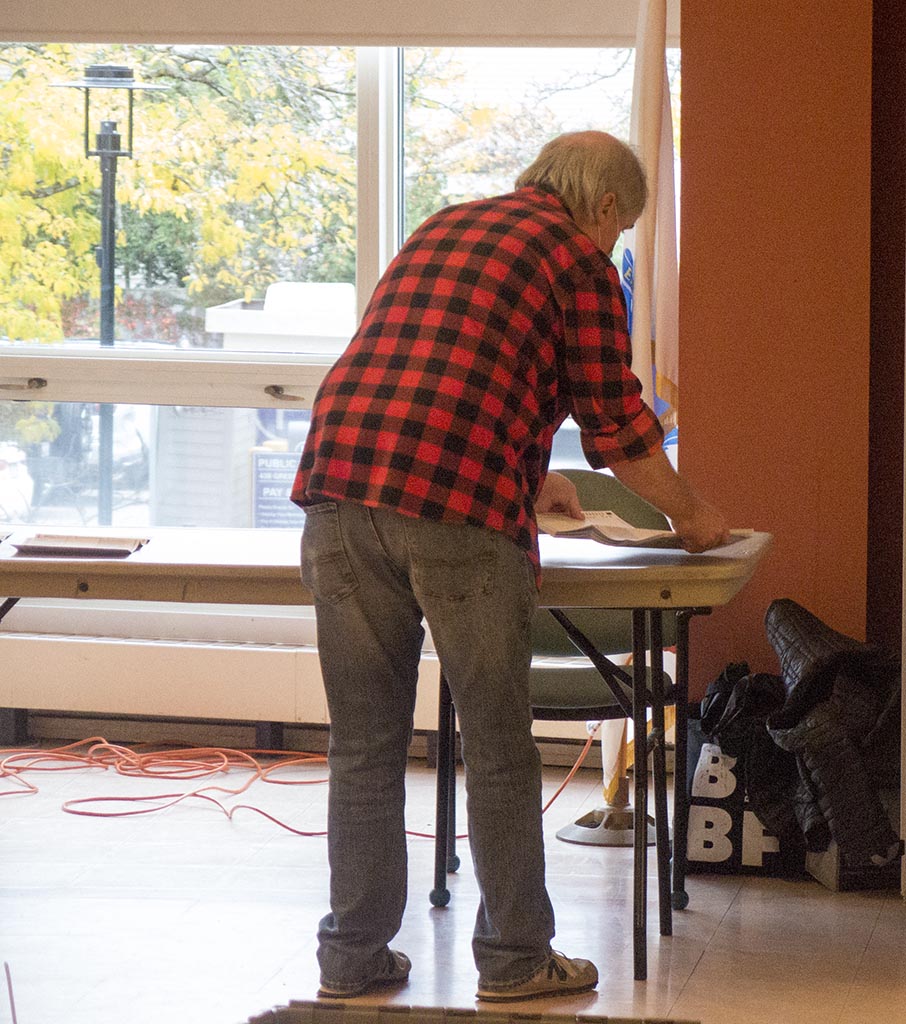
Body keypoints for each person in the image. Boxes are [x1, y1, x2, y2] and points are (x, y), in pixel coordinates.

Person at [291, 130, 729, 1003]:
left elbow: (431, 375)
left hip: (338, 491)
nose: (616, 243)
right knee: (496, 746)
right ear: (607, 205)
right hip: (455, 516)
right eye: (623, 228)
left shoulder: (443, 227)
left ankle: (352, 961)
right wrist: (692, 515)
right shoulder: (577, 260)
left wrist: (532, 477)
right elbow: (614, 421)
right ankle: (517, 960)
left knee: (365, 747)